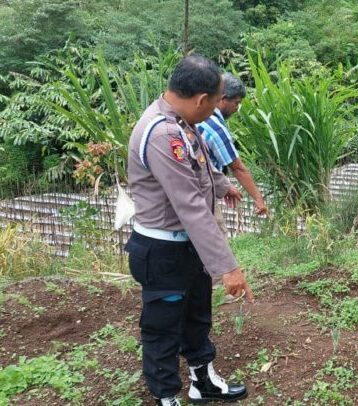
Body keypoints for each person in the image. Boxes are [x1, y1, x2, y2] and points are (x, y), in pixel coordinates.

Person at [125, 54, 251, 406]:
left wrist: (222, 185)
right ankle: (167, 397)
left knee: (197, 315)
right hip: (163, 251)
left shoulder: (180, 122)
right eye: (214, 104)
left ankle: (202, 381)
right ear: (201, 99)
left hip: (187, 248)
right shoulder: (163, 133)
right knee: (163, 327)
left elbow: (199, 168)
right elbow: (191, 206)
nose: (213, 111)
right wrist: (227, 266)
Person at [197, 72, 267, 235]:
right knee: (218, 245)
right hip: (203, 195)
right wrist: (258, 199)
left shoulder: (196, 118)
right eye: (236, 102)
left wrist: (224, 186)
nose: (237, 108)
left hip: (189, 195)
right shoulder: (215, 127)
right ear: (222, 98)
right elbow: (237, 168)